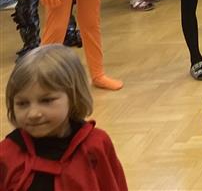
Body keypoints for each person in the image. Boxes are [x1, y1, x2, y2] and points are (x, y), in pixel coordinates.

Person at [1, 45, 128, 191]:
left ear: (73, 97)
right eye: (22, 104)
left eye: (46, 100)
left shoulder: (96, 145)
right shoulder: (7, 154)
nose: (33, 114)